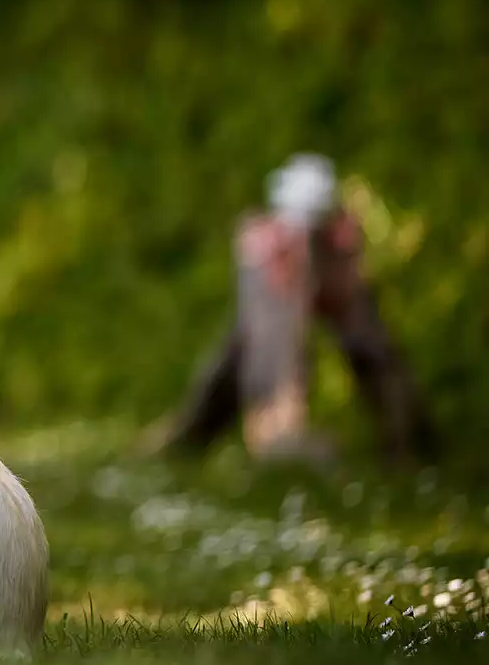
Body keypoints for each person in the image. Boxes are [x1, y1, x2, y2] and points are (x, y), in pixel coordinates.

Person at [149, 153, 436, 465]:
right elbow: (272, 348)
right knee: (240, 368)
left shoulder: (340, 242)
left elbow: (369, 340)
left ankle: (409, 445)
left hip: (332, 285)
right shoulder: (266, 249)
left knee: (377, 355)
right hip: (274, 307)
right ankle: (202, 445)